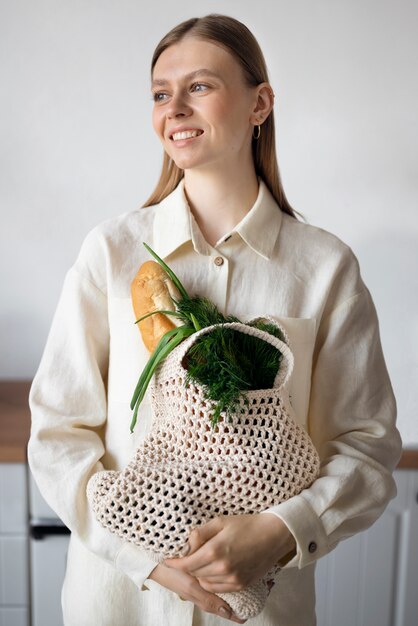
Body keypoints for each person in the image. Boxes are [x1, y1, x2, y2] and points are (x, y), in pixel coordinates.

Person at [28, 13, 402, 626]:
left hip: (264, 612)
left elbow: (366, 445)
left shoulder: (325, 268)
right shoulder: (110, 253)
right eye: (159, 93)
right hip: (119, 606)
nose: (173, 107)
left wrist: (282, 532)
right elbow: (57, 432)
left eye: (199, 86)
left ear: (261, 104)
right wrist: (143, 557)